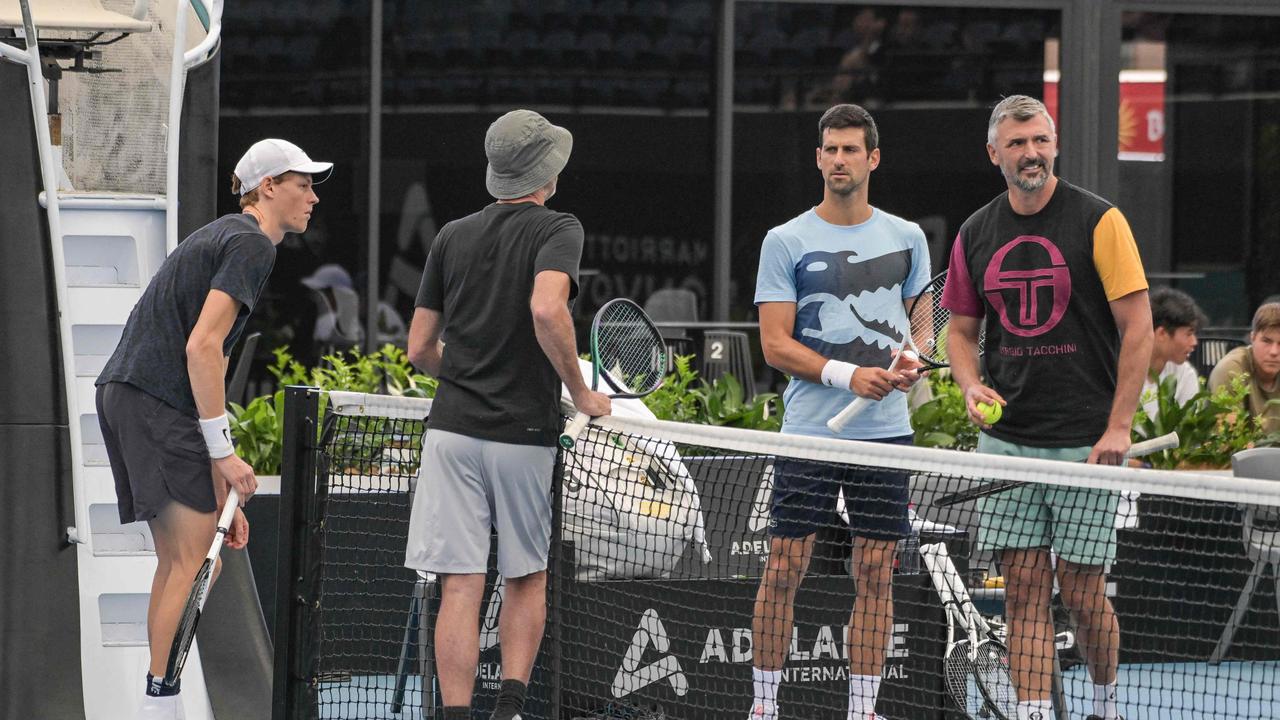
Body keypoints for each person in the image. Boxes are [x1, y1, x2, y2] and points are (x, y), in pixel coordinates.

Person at [95, 139, 331, 719]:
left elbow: (205, 363)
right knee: (192, 561)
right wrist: (224, 455)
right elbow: (201, 348)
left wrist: (217, 478)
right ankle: (159, 709)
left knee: (189, 559)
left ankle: (158, 705)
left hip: (133, 397)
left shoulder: (227, 235)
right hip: (153, 400)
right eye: (302, 183)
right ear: (268, 187)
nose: (313, 196)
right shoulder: (251, 243)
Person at [941, 95, 1152, 720]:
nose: (1029, 153)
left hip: (1085, 442)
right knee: (1024, 588)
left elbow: (1137, 328)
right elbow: (959, 332)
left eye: (1039, 140)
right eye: (1016, 143)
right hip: (1008, 446)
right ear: (993, 154)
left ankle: (1106, 708)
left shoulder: (1100, 220)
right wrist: (970, 385)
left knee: (1084, 592)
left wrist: (1118, 427)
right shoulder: (975, 232)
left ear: (1054, 144)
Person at [403, 109, 610, 720]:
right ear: (547, 173)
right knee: (526, 578)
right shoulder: (560, 226)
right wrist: (581, 390)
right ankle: (511, 710)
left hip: (451, 434)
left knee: (459, 586)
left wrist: (468, 376)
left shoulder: (451, 234)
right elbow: (549, 311)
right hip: (523, 433)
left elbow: (419, 350)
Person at [751, 103, 929, 720]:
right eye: (830, 149)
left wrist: (913, 362)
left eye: (851, 149)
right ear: (819, 157)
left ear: (872, 158)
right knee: (783, 568)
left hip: (885, 435)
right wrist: (848, 374)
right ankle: (764, 708)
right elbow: (775, 344)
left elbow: (921, 328)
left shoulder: (908, 238)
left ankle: (862, 710)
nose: (838, 160)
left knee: (877, 570)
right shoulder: (786, 240)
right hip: (808, 434)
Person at [1209, 302, 1280, 435]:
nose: (1274, 351)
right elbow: (1226, 439)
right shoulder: (1231, 369)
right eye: (1267, 341)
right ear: (1252, 338)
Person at [1141, 287, 1206, 418]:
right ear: (1162, 334)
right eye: (1189, 333)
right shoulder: (1120, 370)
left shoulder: (1185, 373)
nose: (1194, 342)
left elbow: (1190, 428)